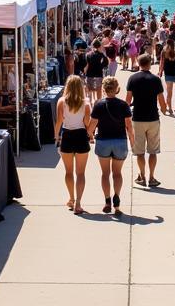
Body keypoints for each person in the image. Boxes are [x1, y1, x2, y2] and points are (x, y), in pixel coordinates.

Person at [88, 76, 134, 215]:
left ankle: (107, 200)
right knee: (117, 173)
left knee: (105, 173)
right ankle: (117, 198)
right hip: (120, 141)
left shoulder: (99, 105)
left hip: (103, 141)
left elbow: (91, 127)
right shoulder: (123, 105)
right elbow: (129, 126)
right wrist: (132, 140)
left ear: (104, 88)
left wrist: (90, 136)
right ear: (117, 89)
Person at [126, 54, 168, 188]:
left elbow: (128, 100)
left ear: (138, 63)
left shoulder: (132, 78)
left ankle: (142, 176)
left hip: (137, 118)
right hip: (153, 118)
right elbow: (161, 100)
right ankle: (152, 177)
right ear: (150, 63)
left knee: (139, 152)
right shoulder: (156, 79)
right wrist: (164, 109)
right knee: (153, 151)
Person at [57, 75, 92, 215]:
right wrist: (90, 135)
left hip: (67, 135)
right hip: (81, 136)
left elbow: (59, 121)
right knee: (81, 173)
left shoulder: (61, 101)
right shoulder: (86, 103)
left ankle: (71, 198)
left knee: (68, 172)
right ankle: (78, 202)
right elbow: (87, 123)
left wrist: (56, 136)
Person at [157, 38, 175, 114]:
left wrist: (160, 71)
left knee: (169, 92)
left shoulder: (164, 52)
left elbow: (161, 63)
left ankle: (170, 108)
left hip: (168, 74)